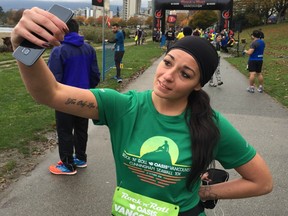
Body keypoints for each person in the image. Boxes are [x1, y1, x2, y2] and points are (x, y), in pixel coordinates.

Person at [11, 8, 273, 215]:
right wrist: (22, 47)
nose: (168, 76)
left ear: (197, 85)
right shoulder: (123, 106)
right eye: (168, 62)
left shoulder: (210, 124)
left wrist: (204, 193)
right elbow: (49, 93)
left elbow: (261, 181)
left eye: (185, 74)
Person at [47, 19, 100, 175]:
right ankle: (80, 158)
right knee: (81, 129)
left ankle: (67, 165)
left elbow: (53, 78)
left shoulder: (59, 50)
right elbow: (95, 74)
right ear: (77, 30)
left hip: (64, 99)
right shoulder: (89, 49)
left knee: (65, 131)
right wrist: (87, 89)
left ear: (62, 30)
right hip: (84, 96)